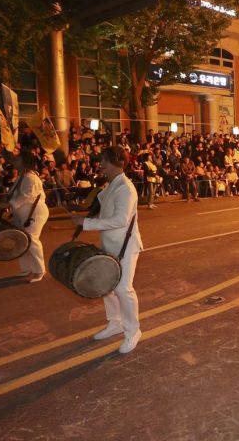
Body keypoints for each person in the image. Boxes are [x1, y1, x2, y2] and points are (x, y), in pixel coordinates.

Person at [71, 145, 144, 354]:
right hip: (111, 244)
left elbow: (121, 220)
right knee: (108, 286)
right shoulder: (111, 185)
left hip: (126, 246)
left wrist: (86, 223)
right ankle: (115, 323)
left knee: (123, 289)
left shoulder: (126, 188)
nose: (100, 164)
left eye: (104, 160)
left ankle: (133, 331)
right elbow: (104, 212)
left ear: (115, 162)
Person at [0, 150, 50, 282]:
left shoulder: (31, 177)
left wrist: (7, 204)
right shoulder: (23, 176)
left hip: (34, 213)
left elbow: (26, 196)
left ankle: (39, 270)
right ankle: (27, 269)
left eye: (17, 159)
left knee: (31, 239)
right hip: (24, 213)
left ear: (24, 161)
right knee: (21, 240)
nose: (14, 161)